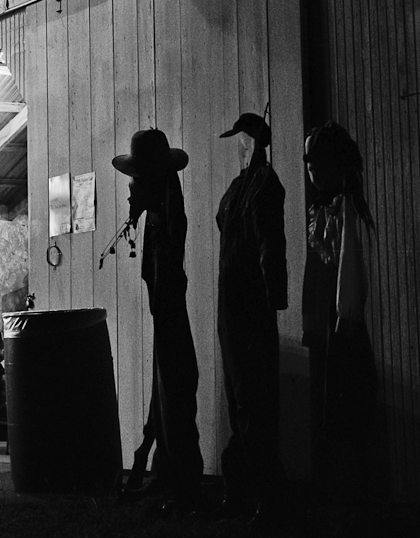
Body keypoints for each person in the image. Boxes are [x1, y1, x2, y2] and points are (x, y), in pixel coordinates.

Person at [112, 128, 204, 509]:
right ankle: (167, 471)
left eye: (136, 178)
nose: (131, 186)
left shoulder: (165, 223)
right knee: (166, 390)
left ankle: (179, 479)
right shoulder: (157, 220)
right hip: (164, 310)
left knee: (174, 389)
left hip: (168, 310)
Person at [215, 111, 288, 516]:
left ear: (253, 141)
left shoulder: (264, 184)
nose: (238, 146)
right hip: (232, 304)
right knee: (238, 395)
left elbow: (269, 244)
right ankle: (244, 489)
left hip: (249, 304)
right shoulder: (238, 186)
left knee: (253, 398)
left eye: (241, 139)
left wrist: (272, 297)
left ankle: (264, 494)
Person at [302, 121, 379, 493]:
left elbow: (348, 273)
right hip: (325, 323)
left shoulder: (343, 211)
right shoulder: (324, 210)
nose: (309, 166)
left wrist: (342, 318)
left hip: (341, 327)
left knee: (346, 406)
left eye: (316, 159)